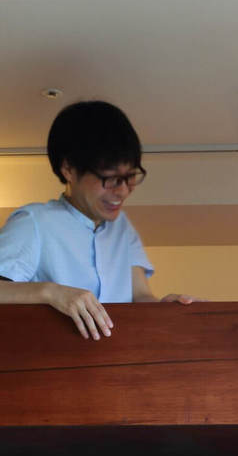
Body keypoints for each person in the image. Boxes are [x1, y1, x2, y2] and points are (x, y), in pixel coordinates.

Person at [0, 99, 194, 341]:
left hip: (117, 359)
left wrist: (169, 309)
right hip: (51, 358)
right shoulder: (35, 222)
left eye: (130, 176)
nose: (122, 190)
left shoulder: (122, 228)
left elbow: (140, 297)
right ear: (69, 169)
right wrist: (50, 292)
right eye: (109, 178)